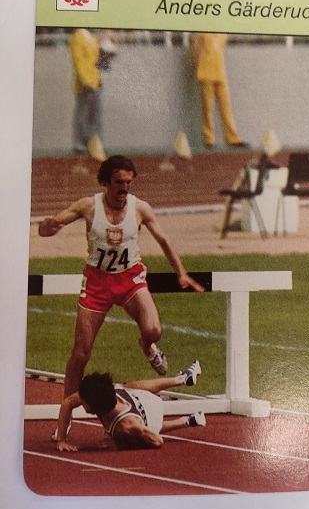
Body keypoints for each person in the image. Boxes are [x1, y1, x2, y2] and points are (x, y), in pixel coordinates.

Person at [38, 155, 205, 414]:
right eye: (119, 182)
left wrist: (181, 273)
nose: (124, 188)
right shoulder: (88, 206)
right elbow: (51, 225)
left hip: (130, 279)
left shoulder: (140, 208)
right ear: (106, 182)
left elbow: (164, 241)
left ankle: (147, 347)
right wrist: (49, 227)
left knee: (153, 331)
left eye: (129, 182)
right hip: (97, 283)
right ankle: (66, 414)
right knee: (81, 354)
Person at [55, 360, 205, 452]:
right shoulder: (102, 393)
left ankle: (184, 420)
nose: (79, 400)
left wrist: (122, 446)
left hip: (148, 417)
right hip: (138, 398)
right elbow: (67, 403)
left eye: (83, 400)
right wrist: (61, 440)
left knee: (129, 435)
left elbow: (158, 441)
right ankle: (181, 382)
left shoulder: (126, 426)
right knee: (125, 387)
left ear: (95, 405)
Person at [189, 32, 246, 148]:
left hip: (220, 73)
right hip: (205, 73)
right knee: (207, 108)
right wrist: (198, 67)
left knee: (226, 106)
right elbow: (195, 51)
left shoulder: (223, 34)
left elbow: (221, 50)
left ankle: (232, 138)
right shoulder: (199, 32)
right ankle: (209, 139)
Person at [69, 28, 108, 162]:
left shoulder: (91, 37)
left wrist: (98, 78)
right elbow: (78, 61)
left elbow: (96, 61)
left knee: (94, 115)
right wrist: (85, 80)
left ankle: (94, 144)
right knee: (83, 114)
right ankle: (80, 145)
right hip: (85, 83)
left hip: (95, 81)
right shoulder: (78, 36)